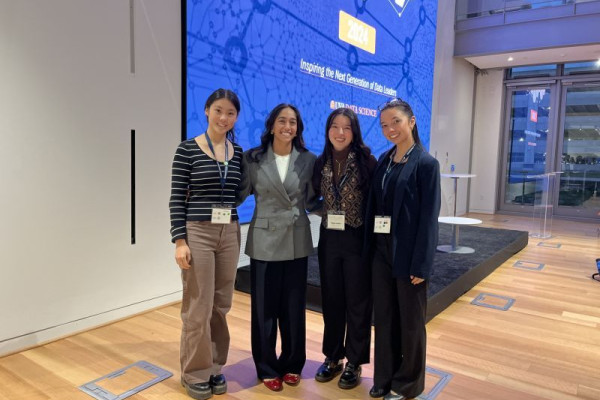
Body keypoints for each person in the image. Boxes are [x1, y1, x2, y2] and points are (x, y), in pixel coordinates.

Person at [169, 88, 244, 400]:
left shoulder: (236, 152)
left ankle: (214, 366)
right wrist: (179, 240)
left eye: (230, 113)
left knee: (221, 304)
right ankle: (194, 372)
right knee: (198, 305)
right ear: (206, 111)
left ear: (236, 116)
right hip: (197, 232)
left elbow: (239, 191)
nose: (223, 117)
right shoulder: (187, 149)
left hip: (230, 232)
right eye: (218, 110)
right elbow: (176, 197)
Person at [238, 103, 318, 392]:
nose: (288, 126)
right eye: (282, 121)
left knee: (294, 308)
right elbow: (239, 193)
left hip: (296, 240)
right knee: (264, 310)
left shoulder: (309, 159)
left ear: (298, 128)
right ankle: (267, 366)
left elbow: (311, 201)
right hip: (264, 242)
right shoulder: (253, 158)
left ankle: (293, 363)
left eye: (293, 122)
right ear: (271, 125)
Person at [366, 99, 441, 400]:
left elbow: (428, 219)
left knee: (410, 323)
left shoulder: (426, 164)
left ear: (411, 121)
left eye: (395, 121)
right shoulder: (384, 160)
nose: (390, 129)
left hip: (409, 256)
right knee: (384, 319)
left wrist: (421, 266)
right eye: (384, 124)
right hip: (381, 253)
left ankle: (407, 382)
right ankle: (384, 376)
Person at [311, 108, 377, 389]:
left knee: (358, 302)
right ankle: (333, 356)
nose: (340, 133)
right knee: (332, 299)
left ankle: (355, 361)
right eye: (335, 127)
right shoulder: (321, 161)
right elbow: (312, 197)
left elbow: (374, 202)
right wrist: (323, 211)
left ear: (354, 132)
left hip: (356, 238)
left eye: (346, 128)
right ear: (328, 130)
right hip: (329, 239)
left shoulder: (366, 161)